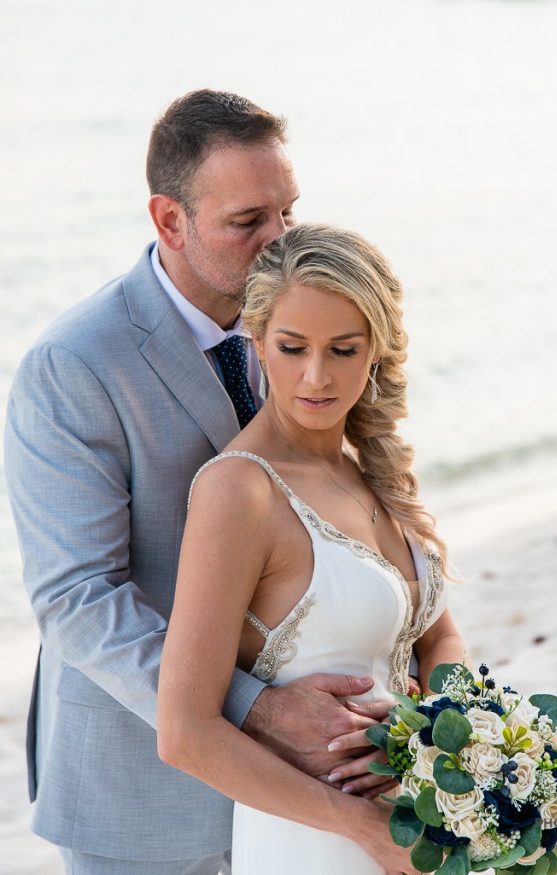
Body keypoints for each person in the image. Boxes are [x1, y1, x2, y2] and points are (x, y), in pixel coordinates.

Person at [4, 91, 401, 875]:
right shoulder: (74, 364)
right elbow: (77, 598)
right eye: (247, 221)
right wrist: (260, 711)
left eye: (287, 211)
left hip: (307, 786)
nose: (280, 240)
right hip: (141, 790)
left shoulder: (302, 329)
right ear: (170, 220)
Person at [157, 222, 471, 875]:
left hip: (421, 821)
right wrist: (365, 829)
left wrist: (436, 738)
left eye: (343, 349)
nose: (317, 376)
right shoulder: (239, 491)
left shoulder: (373, 469)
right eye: (292, 347)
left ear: (375, 349)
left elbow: (441, 639)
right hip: (318, 841)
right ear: (257, 341)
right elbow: (185, 734)